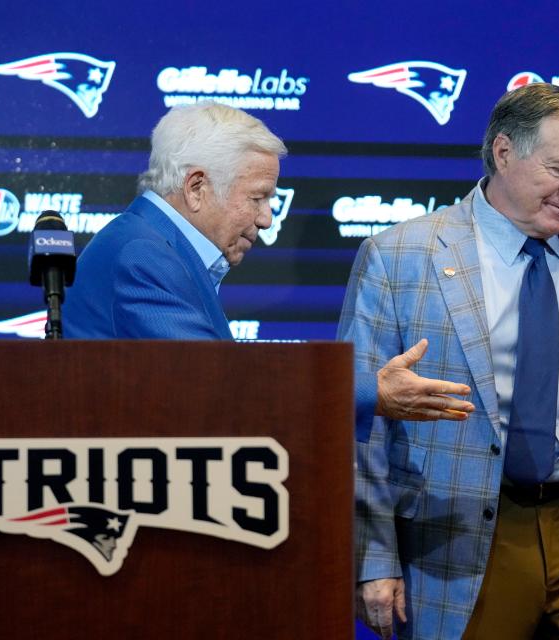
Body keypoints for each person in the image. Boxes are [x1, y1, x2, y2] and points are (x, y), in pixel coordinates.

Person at [339, 83, 559, 639]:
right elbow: (362, 425)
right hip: (460, 539)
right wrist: (374, 558)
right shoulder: (399, 256)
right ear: (504, 152)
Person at [64, 102, 475, 434]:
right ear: (196, 187)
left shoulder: (148, 243)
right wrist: (372, 390)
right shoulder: (142, 254)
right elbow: (221, 385)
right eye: (258, 198)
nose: (265, 219)